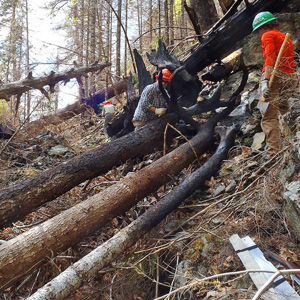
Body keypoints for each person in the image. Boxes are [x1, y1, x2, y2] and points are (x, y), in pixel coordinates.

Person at [252, 11, 298, 159]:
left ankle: (273, 154)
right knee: (284, 111)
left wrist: (265, 81)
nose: (258, 34)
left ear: (262, 27)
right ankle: (293, 143)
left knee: (268, 117)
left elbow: (271, 57)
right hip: (289, 78)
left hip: (274, 77)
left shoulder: (267, 35)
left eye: (258, 30)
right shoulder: (284, 37)